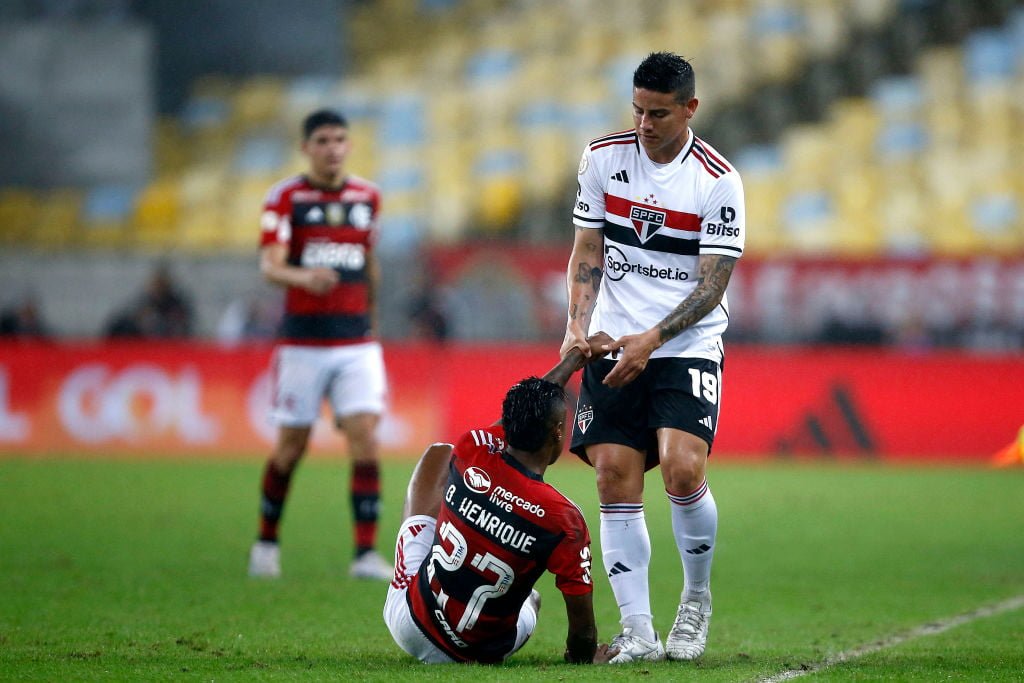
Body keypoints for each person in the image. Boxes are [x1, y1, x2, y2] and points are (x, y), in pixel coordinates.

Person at [560, 52, 745, 663]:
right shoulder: (602, 157)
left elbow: (711, 286)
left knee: (682, 469)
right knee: (614, 474)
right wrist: (577, 324)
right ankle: (638, 629)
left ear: (690, 108)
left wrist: (654, 340)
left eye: (658, 113)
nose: (644, 123)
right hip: (613, 339)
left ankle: (695, 601)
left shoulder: (717, 180)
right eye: (637, 110)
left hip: (683, 344)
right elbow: (587, 245)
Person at [384, 334, 619, 664]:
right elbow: (581, 630)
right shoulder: (564, 519)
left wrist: (573, 360)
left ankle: (424, 568)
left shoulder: (473, 449)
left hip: (409, 622)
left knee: (439, 453)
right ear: (557, 433)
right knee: (531, 600)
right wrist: (583, 658)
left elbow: (518, 414)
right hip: (476, 653)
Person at [248, 108, 391, 580]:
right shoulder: (286, 198)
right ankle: (266, 544)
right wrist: (303, 277)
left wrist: (372, 325)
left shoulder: (368, 197)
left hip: (357, 344)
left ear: (349, 145)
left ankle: (365, 554)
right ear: (307, 147)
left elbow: (368, 262)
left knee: (366, 440)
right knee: (291, 447)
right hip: (303, 345)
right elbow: (270, 266)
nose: (333, 148)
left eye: (340, 140)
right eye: (323, 140)